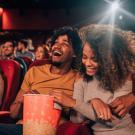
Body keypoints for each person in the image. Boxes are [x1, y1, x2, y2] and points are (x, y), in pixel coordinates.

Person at [51, 24, 135, 135]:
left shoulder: (122, 75)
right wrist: (92, 101)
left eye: (94, 59)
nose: (88, 63)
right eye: (84, 57)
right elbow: (77, 119)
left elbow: (113, 121)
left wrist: (73, 102)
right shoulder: (83, 78)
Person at [0, 26, 82, 135]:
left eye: (64, 43)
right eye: (55, 42)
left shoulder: (78, 78)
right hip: (23, 128)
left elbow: (80, 118)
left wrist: (64, 105)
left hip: (54, 131)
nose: (57, 46)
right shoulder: (34, 71)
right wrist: (23, 100)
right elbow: (13, 115)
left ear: (75, 53)